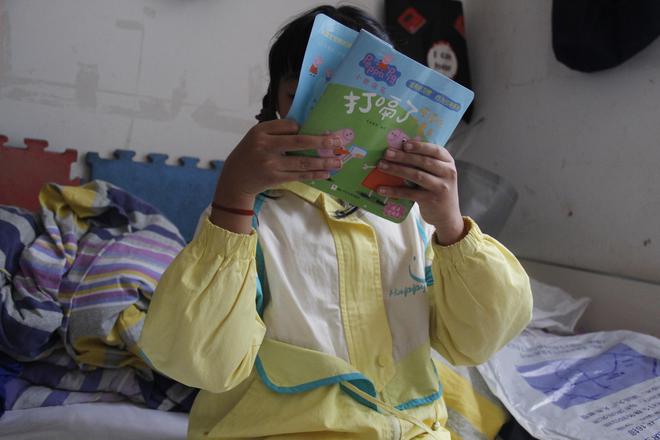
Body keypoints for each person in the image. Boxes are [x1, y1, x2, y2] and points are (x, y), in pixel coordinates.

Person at [139, 5, 533, 439]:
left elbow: (477, 340)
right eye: (305, 94)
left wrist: (452, 228)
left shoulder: (414, 220)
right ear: (276, 108)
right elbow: (199, 361)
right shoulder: (248, 221)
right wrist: (233, 195)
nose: (333, 119)